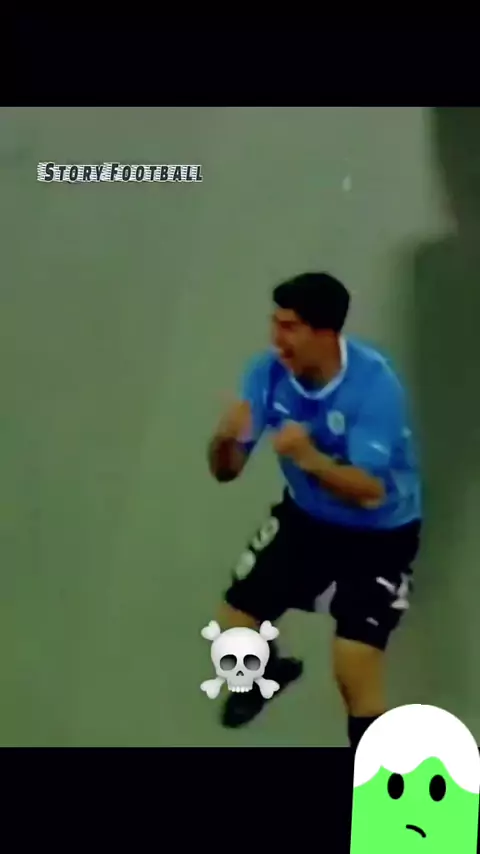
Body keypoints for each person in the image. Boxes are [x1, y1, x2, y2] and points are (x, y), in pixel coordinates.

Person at [207, 272, 422, 748]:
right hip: (306, 522)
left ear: (325, 333)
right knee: (234, 627)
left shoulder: (375, 386)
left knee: (354, 666)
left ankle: (379, 776)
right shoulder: (266, 374)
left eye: (289, 327)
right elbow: (227, 471)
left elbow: (370, 491)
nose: (276, 338)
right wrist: (224, 439)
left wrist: (309, 458)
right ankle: (268, 674)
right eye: (275, 323)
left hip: (379, 537)